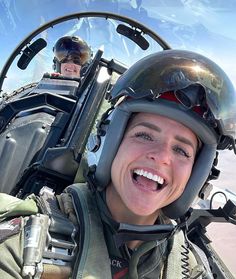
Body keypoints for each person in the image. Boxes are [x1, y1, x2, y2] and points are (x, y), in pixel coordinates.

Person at [0, 49, 236, 279]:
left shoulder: (190, 267)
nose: (162, 156)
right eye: (144, 135)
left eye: (181, 150)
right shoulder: (24, 249)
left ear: (196, 174)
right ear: (110, 144)